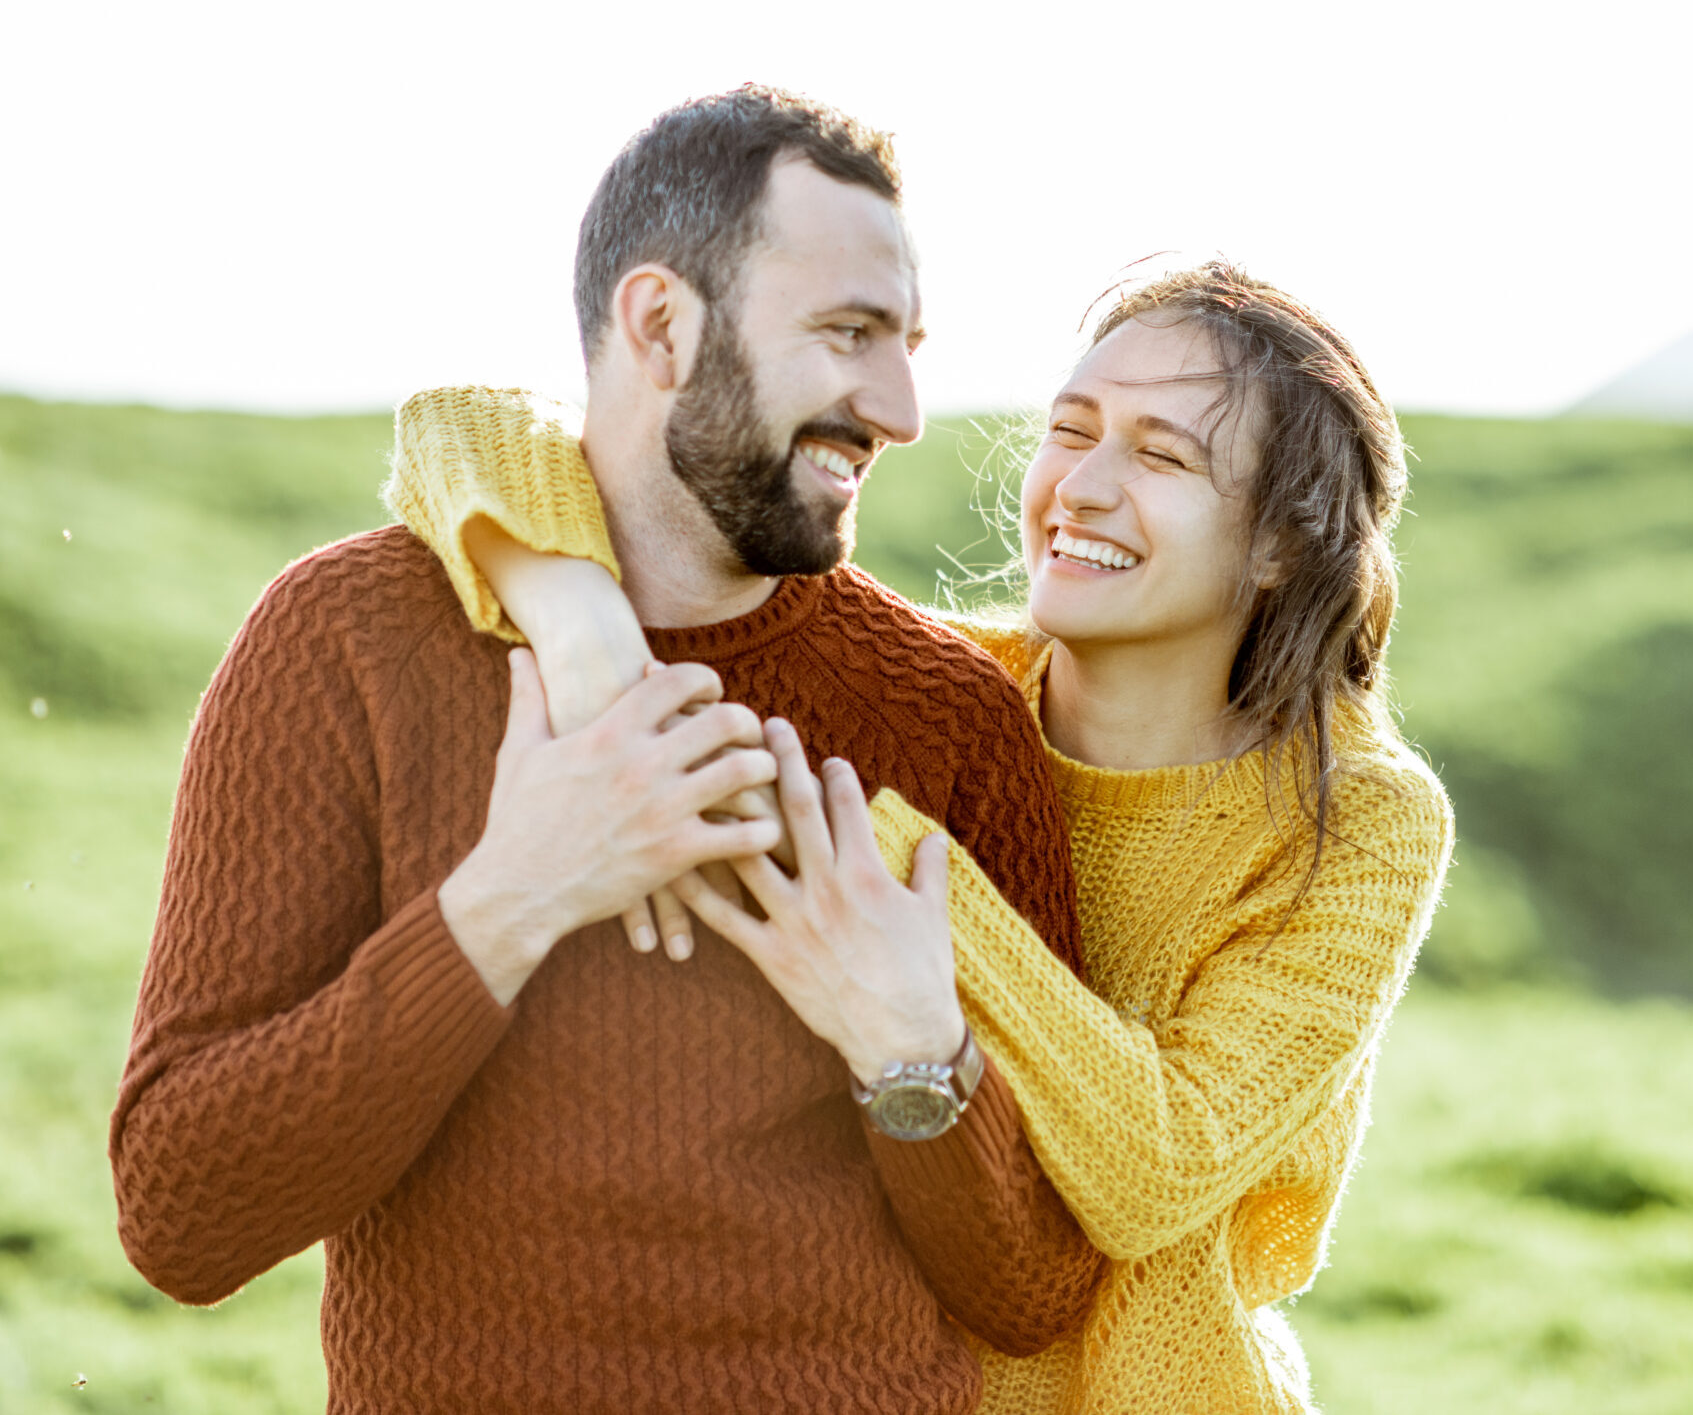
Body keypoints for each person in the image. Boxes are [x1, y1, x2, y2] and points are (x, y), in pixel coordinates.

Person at [109, 86, 1106, 1415]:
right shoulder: (344, 640)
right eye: (850, 333)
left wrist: (909, 1050)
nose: (903, 407)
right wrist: (511, 898)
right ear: (661, 326)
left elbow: (1039, 1288)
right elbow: (182, 1214)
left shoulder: (949, 715)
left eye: (909, 343)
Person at [384, 262, 1453, 1414]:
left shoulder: (1357, 814)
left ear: (1283, 544)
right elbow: (458, 423)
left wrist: (881, 873)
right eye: (1071, 428)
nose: (1081, 486)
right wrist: (579, 614)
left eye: (1161, 454)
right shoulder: (932, 701)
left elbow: (1158, 1166)